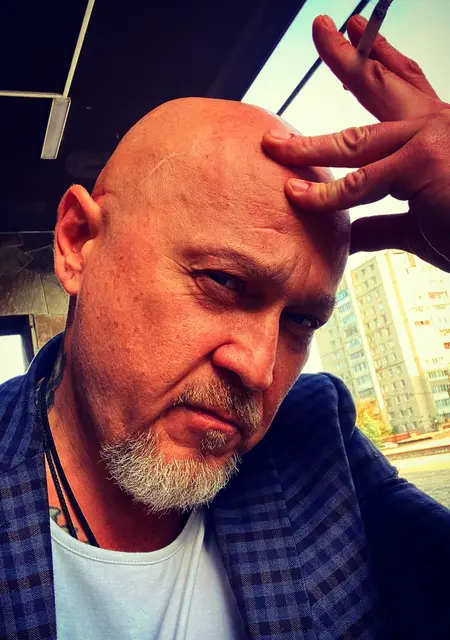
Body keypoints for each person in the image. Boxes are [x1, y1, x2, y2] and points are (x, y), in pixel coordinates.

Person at [0, 13, 449, 640]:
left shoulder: (314, 441)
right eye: (224, 282)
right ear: (77, 244)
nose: (259, 368)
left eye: (301, 320)